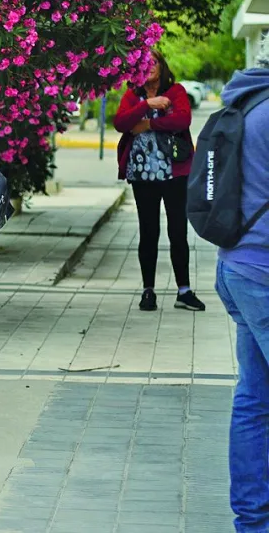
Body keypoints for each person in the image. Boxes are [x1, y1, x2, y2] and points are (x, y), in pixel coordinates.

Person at [212, 43, 269, 533]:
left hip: (238, 267)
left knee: (254, 399)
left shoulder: (245, 100)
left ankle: (252, 522)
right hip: (266, 276)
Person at [114, 50, 205, 312]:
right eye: (144, 63)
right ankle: (148, 291)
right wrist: (146, 106)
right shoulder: (133, 96)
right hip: (143, 175)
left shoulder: (175, 92)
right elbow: (121, 123)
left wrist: (148, 125)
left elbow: (183, 119)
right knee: (148, 232)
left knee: (178, 231)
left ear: (162, 66)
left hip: (175, 173)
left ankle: (184, 291)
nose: (149, 67)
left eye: (154, 62)